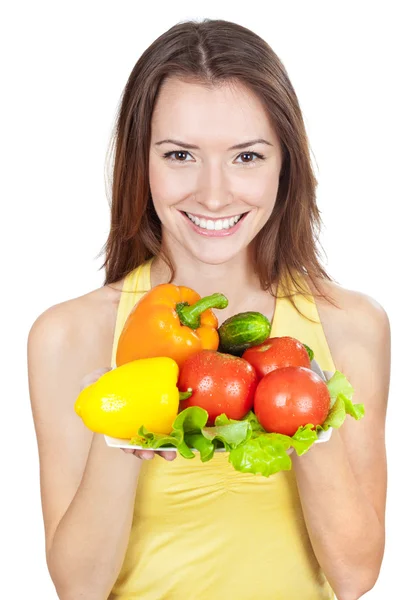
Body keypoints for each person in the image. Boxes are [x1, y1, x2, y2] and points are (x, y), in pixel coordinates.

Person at [27, 18, 390, 600]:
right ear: (140, 163)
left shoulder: (351, 326)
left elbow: (355, 576)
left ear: (285, 165)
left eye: (246, 157)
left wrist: (309, 418)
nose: (215, 193)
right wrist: (120, 437)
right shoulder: (68, 335)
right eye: (180, 155)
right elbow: (79, 587)